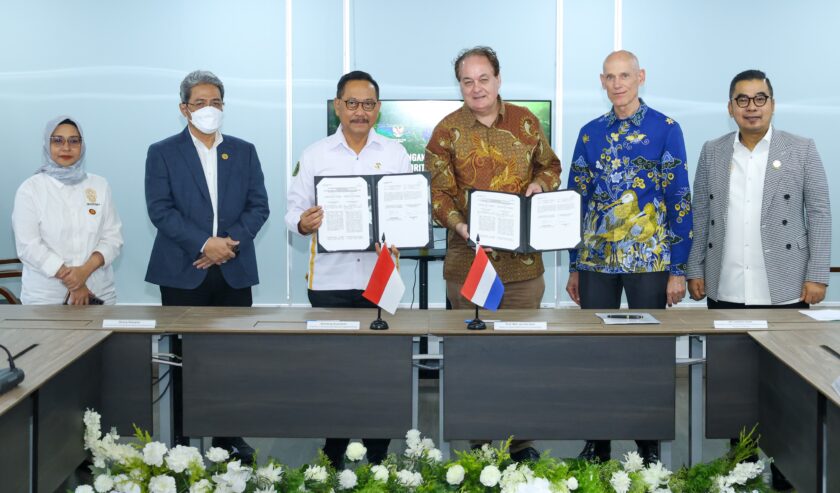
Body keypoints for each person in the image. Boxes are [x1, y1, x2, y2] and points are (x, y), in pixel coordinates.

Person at [686, 69, 831, 491]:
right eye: (743, 99)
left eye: (760, 98)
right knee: (733, 384)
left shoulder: (801, 149)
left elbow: (819, 214)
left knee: (789, 388)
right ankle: (741, 464)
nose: (752, 106)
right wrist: (695, 268)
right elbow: (700, 214)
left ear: (772, 103)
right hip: (726, 287)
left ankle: (786, 470)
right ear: (730, 107)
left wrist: (817, 274)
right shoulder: (713, 151)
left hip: (784, 288)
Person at [425, 46, 561, 462]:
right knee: (472, 359)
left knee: (521, 360)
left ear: (498, 80)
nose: (476, 87)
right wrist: (460, 225)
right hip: (469, 265)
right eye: (467, 81)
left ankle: (521, 445)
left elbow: (550, 167)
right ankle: (479, 445)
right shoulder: (446, 130)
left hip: (522, 268)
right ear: (460, 86)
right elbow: (438, 191)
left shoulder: (525, 122)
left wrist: (540, 186)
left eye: (483, 78)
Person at [566, 50, 693, 464]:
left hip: (649, 260)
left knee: (648, 355)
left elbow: (679, 199)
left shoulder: (666, 129)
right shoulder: (589, 133)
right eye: (610, 77)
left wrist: (678, 268)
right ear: (601, 81)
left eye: (625, 75)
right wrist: (573, 265)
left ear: (640, 77)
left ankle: (648, 442)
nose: (618, 83)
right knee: (595, 353)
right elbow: (576, 201)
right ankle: (597, 440)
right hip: (596, 260)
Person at [285, 70, 411, 469]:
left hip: (380, 279)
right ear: (338, 106)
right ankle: (333, 450)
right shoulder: (315, 154)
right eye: (352, 103)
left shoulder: (395, 154)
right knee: (333, 371)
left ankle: (378, 453)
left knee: (382, 370)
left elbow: (406, 210)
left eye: (368, 104)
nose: (360, 112)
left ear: (378, 108)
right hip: (330, 279)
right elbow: (292, 212)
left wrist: (401, 230)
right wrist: (305, 223)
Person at [145, 70, 269, 462]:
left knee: (231, 359)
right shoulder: (162, 151)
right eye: (200, 103)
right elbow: (160, 210)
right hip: (183, 271)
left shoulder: (243, 150)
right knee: (183, 358)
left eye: (216, 102)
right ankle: (182, 438)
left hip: (233, 270)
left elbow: (258, 206)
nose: (209, 109)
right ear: (184, 109)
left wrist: (227, 245)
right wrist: (205, 243)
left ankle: (228, 436)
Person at [12, 116, 123, 305]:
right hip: (46, 299)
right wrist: (75, 283)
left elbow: (113, 238)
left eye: (74, 141)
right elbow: (29, 246)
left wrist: (83, 272)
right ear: (47, 145)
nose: (66, 147)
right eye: (57, 141)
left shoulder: (99, 185)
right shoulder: (30, 189)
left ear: (82, 145)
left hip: (98, 293)